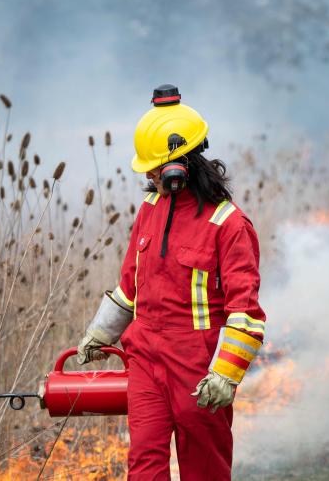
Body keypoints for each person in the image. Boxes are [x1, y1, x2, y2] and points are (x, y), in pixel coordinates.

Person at [77, 85, 266, 480]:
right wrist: (101, 333)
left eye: (152, 167)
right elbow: (131, 284)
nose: (147, 175)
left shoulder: (229, 225)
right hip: (146, 358)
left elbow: (245, 313)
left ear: (180, 167)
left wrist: (225, 375)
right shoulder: (150, 207)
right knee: (144, 467)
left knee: (204, 471)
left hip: (198, 370)